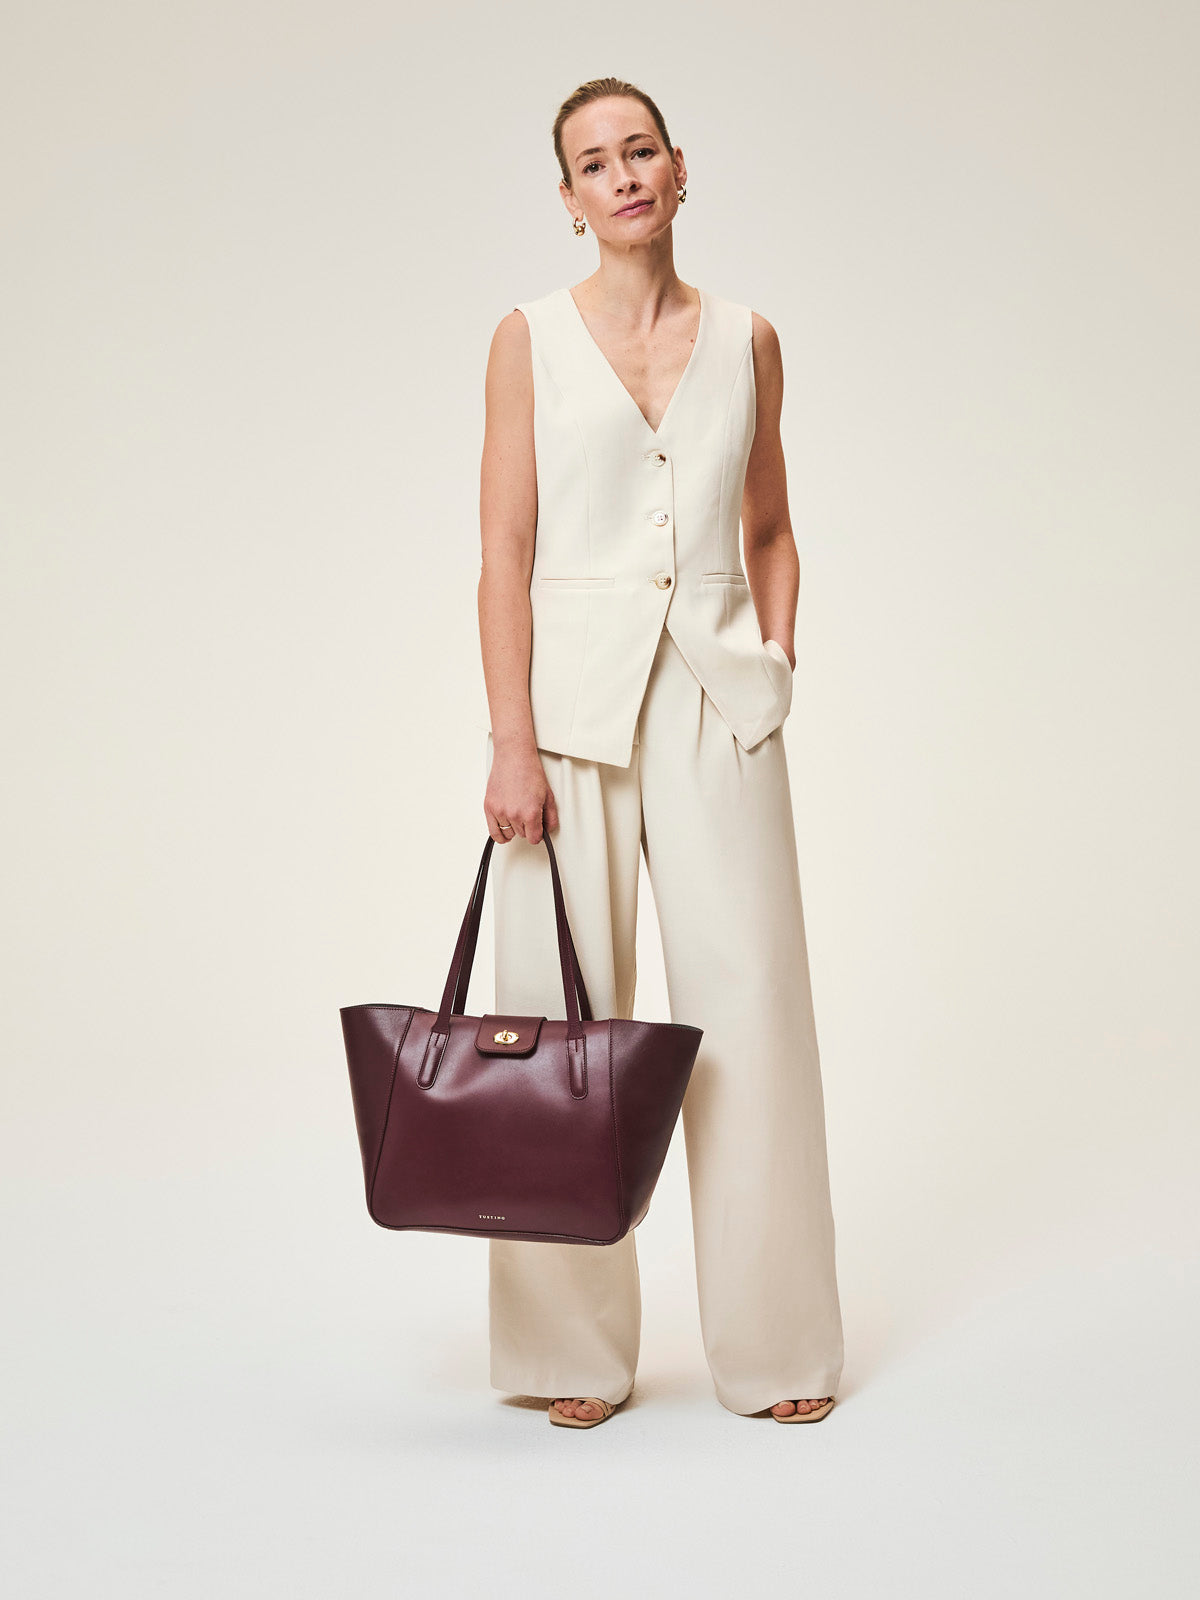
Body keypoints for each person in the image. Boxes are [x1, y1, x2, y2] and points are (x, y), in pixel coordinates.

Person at [477, 77, 844, 1429]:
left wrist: (776, 665)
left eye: (641, 151)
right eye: (595, 161)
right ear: (568, 197)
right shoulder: (527, 339)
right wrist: (511, 743)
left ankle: (778, 1346)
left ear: (680, 169)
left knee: (753, 1020)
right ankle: (569, 1352)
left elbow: (774, 528)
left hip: (716, 704)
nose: (624, 174)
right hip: (567, 718)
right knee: (557, 1029)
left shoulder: (749, 339)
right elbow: (503, 552)